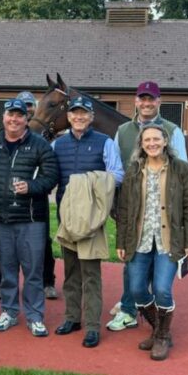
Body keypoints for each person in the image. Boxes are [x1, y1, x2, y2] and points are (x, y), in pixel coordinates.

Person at [107, 80, 188, 332]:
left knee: (159, 271)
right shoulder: (123, 131)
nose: (146, 103)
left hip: (162, 208)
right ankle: (129, 310)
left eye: (151, 99)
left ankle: (157, 323)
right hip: (132, 208)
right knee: (132, 263)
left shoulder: (172, 130)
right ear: (136, 101)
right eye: (142, 98)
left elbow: (182, 169)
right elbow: (117, 169)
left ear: (158, 102)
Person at [116, 124, 188, 360]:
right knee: (136, 289)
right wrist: (121, 241)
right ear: (141, 144)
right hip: (139, 241)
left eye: (156, 139)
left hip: (168, 242)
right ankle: (159, 330)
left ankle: (162, 337)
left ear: (165, 141)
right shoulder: (133, 171)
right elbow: (124, 210)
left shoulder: (183, 170)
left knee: (163, 289)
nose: (151, 143)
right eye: (147, 140)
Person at [52, 96, 124, 348]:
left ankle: (92, 325)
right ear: (69, 116)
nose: (79, 117)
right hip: (67, 218)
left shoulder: (105, 142)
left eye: (84, 113)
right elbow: (51, 176)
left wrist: (87, 183)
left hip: (92, 218)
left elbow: (117, 174)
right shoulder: (58, 144)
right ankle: (72, 318)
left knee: (91, 274)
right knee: (70, 272)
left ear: (91, 117)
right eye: (74, 113)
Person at [0, 98, 59, 337]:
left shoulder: (40, 145)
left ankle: (35, 316)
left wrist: (30, 186)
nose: (14, 119)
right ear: (3, 117)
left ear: (26, 118)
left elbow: (51, 177)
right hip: (2, 217)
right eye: (10, 114)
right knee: (7, 270)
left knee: (33, 271)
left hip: (32, 220)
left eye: (19, 115)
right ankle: (9, 311)